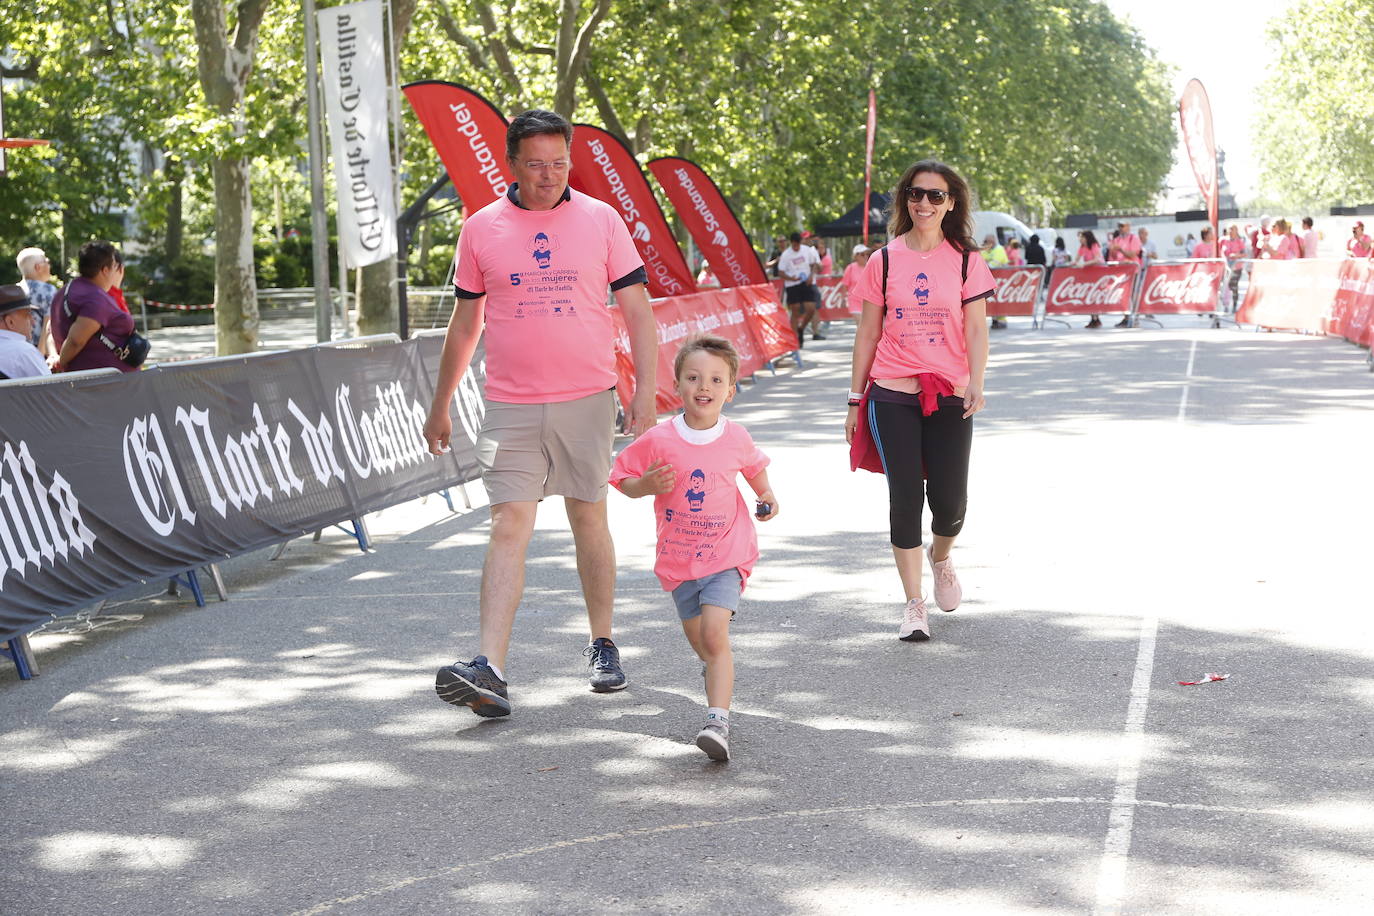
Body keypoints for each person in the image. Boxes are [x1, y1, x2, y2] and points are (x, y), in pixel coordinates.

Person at [423, 109, 659, 718]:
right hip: (509, 406)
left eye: (559, 162)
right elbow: (466, 323)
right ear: (512, 164)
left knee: (589, 518)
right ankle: (490, 670)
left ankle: (603, 643)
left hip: (587, 398)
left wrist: (645, 394)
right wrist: (441, 403)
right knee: (508, 524)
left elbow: (638, 312)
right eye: (536, 164)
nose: (549, 174)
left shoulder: (602, 220)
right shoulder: (481, 229)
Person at [844, 158, 993, 642]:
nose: (924, 203)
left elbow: (975, 326)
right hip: (892, 393)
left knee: (949, 504)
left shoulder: (968, 259)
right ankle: (913, 604)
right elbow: (867, 332)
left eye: (935, 195)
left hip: (949, 391)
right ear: (905, 199)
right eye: (915, 193)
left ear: (951, 203)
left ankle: (942, 555)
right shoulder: (883, 260)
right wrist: (853, 398)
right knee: (904, 499)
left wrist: (977, 379)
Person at [610, 335, 777, 761]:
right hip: (680, 560)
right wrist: (645, 485)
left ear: (730, 389)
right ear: (679, 384)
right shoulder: (659, 439)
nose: (705, 386)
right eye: (694, 377)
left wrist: (767, 496)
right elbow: (621, 477)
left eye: (716, 379)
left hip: (727, 555)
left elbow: (754, 468)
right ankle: (716, 672)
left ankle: (717, 721)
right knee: (702, 641)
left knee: (713, 632)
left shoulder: (735, 436)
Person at [50, 241, 137, 374]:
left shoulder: (65, 291)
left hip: (97, 381)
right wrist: (59, 364)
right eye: (115, 266)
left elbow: (49, 329)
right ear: (105, 270)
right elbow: (76, 340)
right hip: (103, 384)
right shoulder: (95, 299)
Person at [776, 231, 822, 345]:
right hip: (792, 285)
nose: (796, 247)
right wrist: (791, 278)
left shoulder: (806, 250)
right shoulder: (786, 255)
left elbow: (814, 264)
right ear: (791, 243)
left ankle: (802, 328)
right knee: (795, 310)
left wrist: (811, 276)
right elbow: (780, 272)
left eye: (798, 245)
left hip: (806, 282)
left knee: (811, 308)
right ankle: (795, 337)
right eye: (794, 245)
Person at [0, 285, 50, 379]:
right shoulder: (24, 352)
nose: (33, 321)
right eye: (28, 315)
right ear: (10, 322)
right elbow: (51, 389)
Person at [15, 247, 56, 355]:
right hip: (37, 353)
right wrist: (39, 355)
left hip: (16, 351)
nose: (49, 265)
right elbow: (48, 324)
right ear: (38, 267)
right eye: (46, 262)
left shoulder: (15, 291)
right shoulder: (48, 290)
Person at [1107, 221, 1142, 326]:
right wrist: (1112, 251)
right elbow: (1112, 257)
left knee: (1133, 295)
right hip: (1121, 271)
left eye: (1122, 226)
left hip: (1133, 270)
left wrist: (1120, 250)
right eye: (1119, 226)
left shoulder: (1134, 238)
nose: (1120, 228)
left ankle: (1135, 317)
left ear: (1128, 227)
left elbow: (1133, 254)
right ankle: (1126, 317)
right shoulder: (1116, 240)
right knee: (1123, 295)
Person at [1074, 230, 1105, 328]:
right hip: (1090, 274)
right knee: (1089, 296)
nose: (1080, 239)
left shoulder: (1094, 245)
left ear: (1087, 238)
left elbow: (1097, 259)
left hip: (1099, 273)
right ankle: (1094, 318)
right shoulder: (1082, 247)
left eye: (1082, 237)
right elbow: (1076, 259)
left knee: (1095, 296)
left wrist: (1084, 264)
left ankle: (1096, 318)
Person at [1221, 224, 1246, 310]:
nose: (1231, 231)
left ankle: (1235, 304)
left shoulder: (1240, 241)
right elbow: (1221, 251)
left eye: (1233, 229)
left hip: (1237, 267)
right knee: (1226, 285)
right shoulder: (1224, 240)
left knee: (1233, 285)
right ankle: (1226, 305)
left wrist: (1236, 255)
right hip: (1227, 267)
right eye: (1230, 229)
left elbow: (1244, 253)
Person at [843, 244, 870, 317]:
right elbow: (845, 285)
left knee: (865, 327)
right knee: (859, 323)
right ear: (856, 256)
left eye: (867, 254)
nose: (865, 256)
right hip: (854, 301)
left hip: (868, 301)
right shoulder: (850, 268)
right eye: (862, 254)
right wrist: (844, 298)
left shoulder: (870, 267)